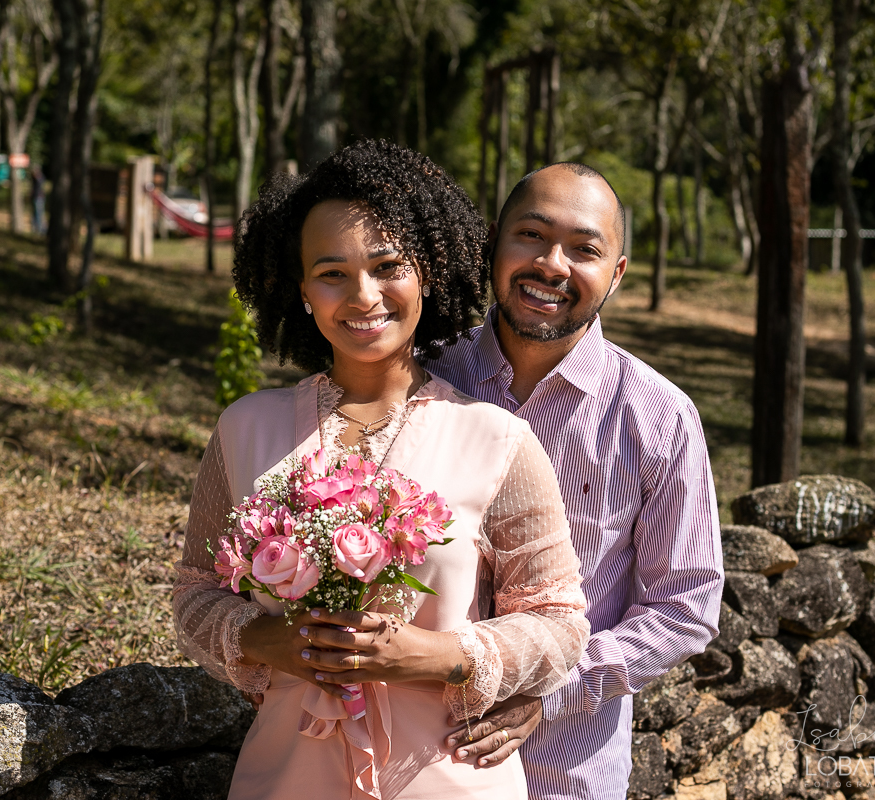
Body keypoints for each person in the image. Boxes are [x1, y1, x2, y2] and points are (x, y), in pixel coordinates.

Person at [172, 140, 590, 800]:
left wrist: (437, 656)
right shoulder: (244, 428)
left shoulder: (497, 440)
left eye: (388, 265)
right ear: (302, 289)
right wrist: (265, 640)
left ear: (426, 272)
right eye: (332, 273)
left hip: (449, 781)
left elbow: (562, 624)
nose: (364, 295)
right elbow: (195, 590)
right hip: (284, 778)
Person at [426, 162, 724, 800]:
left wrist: (551, 688)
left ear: (615, 273)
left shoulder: (659, 417)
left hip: (566, 768)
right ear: (493, 245)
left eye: (584, 249)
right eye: (530, 235)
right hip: (410, 748)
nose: (552, 264)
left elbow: (686, 604)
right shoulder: (423, 376)